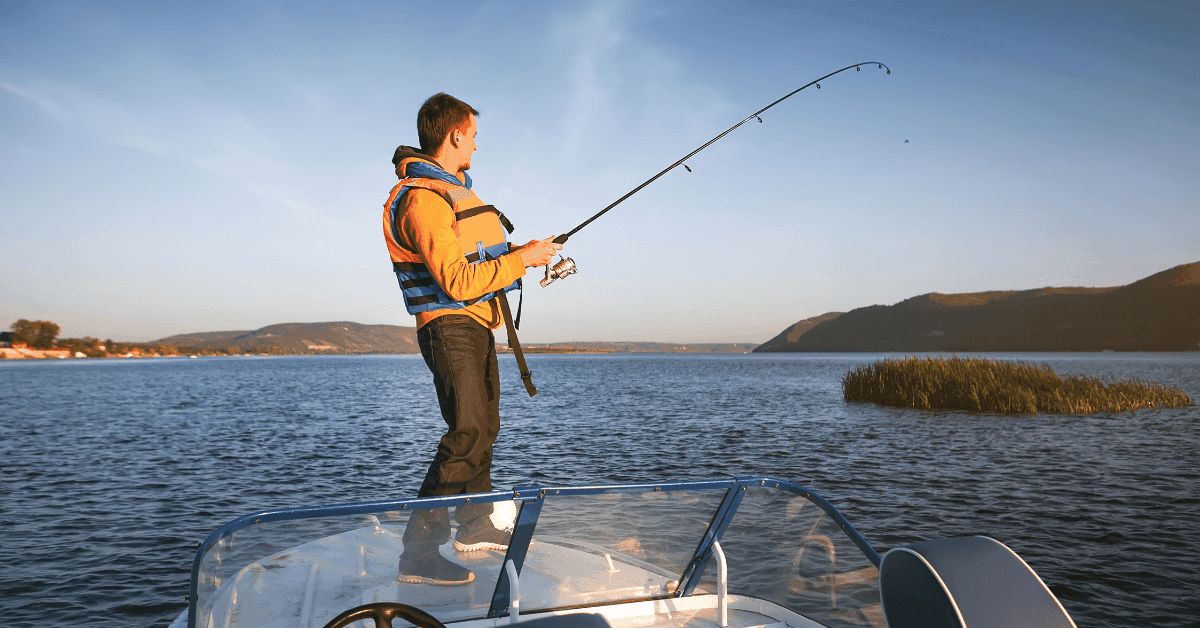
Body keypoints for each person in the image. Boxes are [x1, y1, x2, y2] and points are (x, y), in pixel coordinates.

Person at [382, 93, 562, 585]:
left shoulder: (450, 192)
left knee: (484, 427)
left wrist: (524, 252)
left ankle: (475, 524)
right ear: (455, 134)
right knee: (466, 429)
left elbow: (476, 266)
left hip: (475, 325)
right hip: (448, 325)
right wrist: (522, 260)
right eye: (474, 137)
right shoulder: (422, 198)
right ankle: (417, 553)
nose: (477, 147)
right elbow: (457, 281)